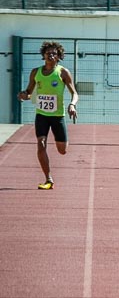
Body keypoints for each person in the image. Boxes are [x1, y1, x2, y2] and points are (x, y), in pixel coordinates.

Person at [18, 40, 80, 189]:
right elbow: (29, 92)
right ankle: (48, 179)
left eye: (54, 53)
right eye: (48, 53)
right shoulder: (36, 72)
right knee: (41, 144)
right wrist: (23, 95)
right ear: (43, 55)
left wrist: (72, 105)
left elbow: (75, 93)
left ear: (58, 56)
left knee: (62, 150)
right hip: (41, 115)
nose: (51, 55)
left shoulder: (63, 72)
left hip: (58, 116)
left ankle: (62, 142)